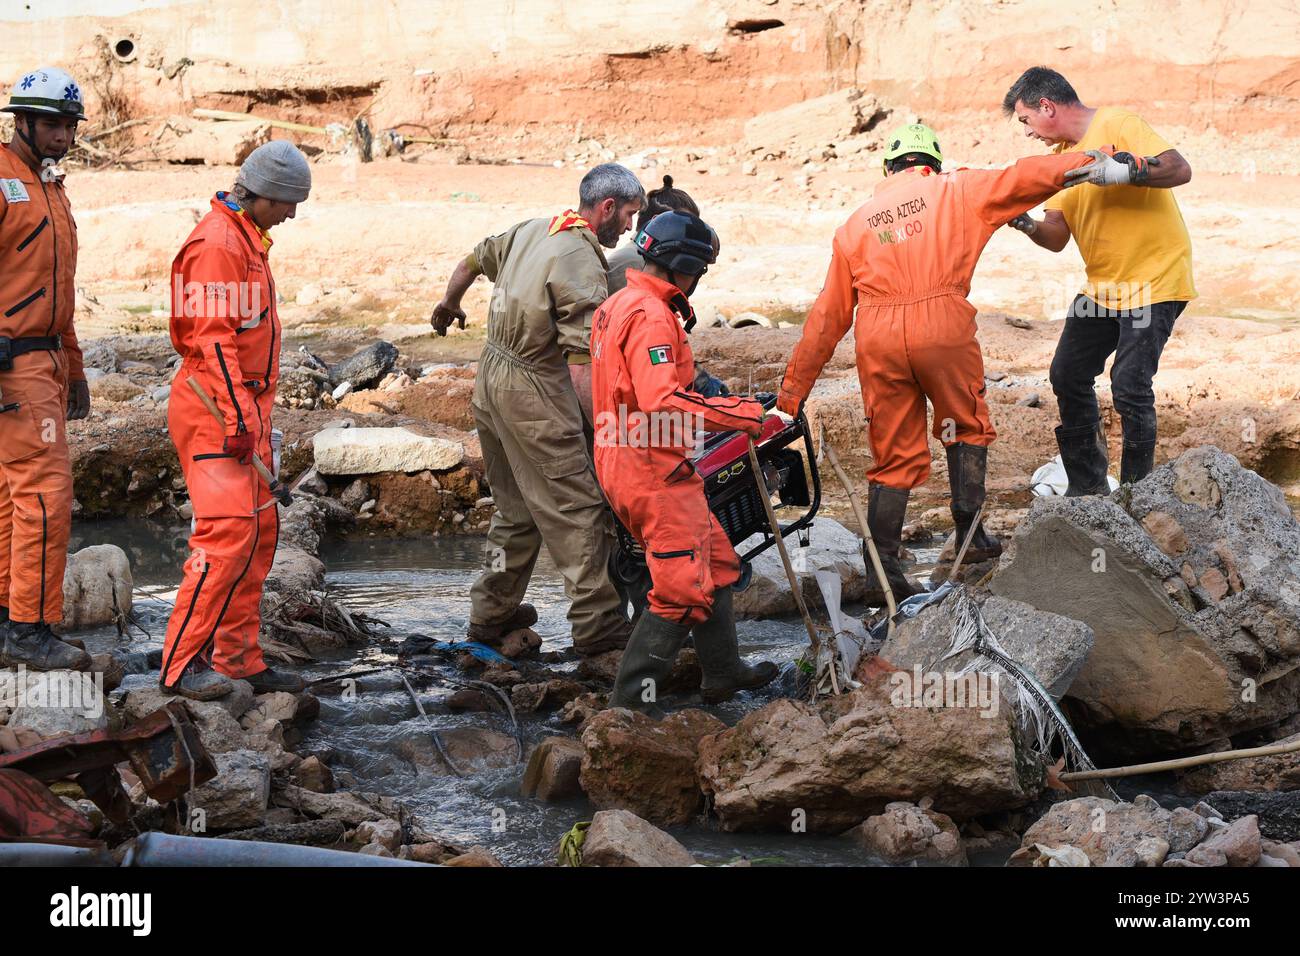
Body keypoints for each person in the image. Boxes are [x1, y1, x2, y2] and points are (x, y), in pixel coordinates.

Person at [777, 122, 1125, 602]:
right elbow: (1026, 176)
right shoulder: (957, 187)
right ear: (931, 164)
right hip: (941, 323)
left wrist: (790, 396)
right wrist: (1098, 157)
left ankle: (885, 571)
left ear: (888, 169)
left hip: (876, 334)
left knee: (893, 453)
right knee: (965, 425)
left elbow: (827, 318)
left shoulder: (855, 224)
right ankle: (971, 536)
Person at [430, 164, 645, 657]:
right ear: (607, 207)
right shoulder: (581, 261)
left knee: (515, 510)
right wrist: (608, 429)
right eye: (630, 215)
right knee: (579, 510)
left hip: (490, 380)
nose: (630, 228)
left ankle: (490, 612)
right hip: (533, 393)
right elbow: (578, 363)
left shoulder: (534, 228)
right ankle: (599, 629)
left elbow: (472, 259)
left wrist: (448, 303)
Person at [592, 210, 778, 716]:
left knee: (716, 562)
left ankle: (723, 673)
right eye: (699, 270)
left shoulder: (617, 304)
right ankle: (626, 708)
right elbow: (662, 401)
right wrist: (742, 414)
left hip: (628, 457)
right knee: (678, 590)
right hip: (651, 468)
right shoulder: (652, 315)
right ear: (682, 265)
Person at [159, 141, 312, 700]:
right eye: (288, 203)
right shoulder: (219, 244)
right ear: (262, 193)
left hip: (241, 408)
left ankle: (239, 660)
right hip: (214, 408)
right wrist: (238, 418)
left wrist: (251, 416)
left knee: (256, 534)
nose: (292, 214)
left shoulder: (246, 239)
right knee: (224, 537)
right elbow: (213, 340)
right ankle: (181, 666)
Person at [1001, 66, 1195, 489]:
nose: (1028, 132)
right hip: (1103, 288)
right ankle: (1087, 488)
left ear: (1047, 106)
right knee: (1067, 374)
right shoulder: (1060, 163)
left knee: (1128, 384)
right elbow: (1057, 238)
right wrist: (1028, 224)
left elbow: (1180, 170)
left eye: (1026, 120)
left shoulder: (1118, 124)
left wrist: (1127, 171)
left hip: (1154, 280)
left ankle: (1135, 495)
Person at [0, 67, 92, 672]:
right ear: (23, 121)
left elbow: (55, 290)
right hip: (15, 366)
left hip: (46, 361)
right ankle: (31, 630)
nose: (62, 135)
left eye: (69, 125)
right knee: (44, 494)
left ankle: (9, 620)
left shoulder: (49, 188)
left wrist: (76, 368)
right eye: (53, 124)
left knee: (11, 496)